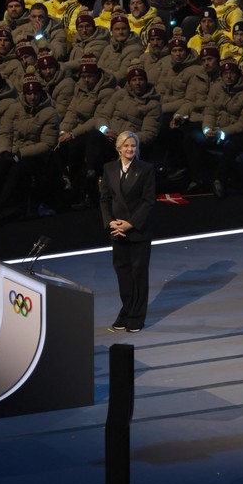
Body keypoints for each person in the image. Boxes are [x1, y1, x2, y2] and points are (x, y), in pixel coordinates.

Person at [100, 130, 155, 333]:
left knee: (138, 274)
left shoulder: (146, 169)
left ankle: (137, 316)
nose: (130, 149)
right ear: (119, 148)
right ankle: (126, 311)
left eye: (133, 146)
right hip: (117, 231)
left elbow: (148, 201)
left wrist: (130, 224)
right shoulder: (109, 168)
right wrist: (111, 223)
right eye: (126, 146)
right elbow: (105, 199)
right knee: (122, 273)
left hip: (137, 230)